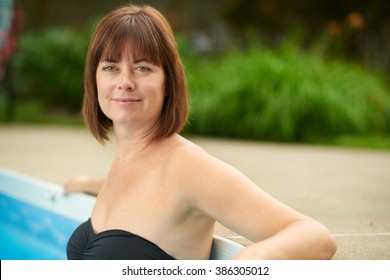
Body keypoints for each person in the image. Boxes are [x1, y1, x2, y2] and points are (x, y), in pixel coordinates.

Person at [65, 4, 337, 260]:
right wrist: (86, 183)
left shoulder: (188, 167)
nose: (125, 82)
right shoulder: (126, 159)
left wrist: (246, 263)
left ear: (168, 83)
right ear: (95, 79)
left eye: (142, 68)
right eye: (111, 67)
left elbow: (315, 236)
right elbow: (147, 192)